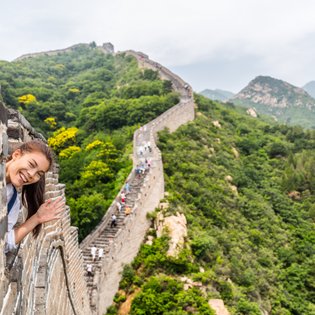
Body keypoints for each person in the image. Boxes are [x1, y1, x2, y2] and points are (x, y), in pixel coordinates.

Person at [5, 140, 64, 252]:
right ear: (16, 155)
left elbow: (4, 243)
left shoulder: (12, 202)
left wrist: (36, 218)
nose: (32, 175)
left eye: (38, 174)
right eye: (31, 164)